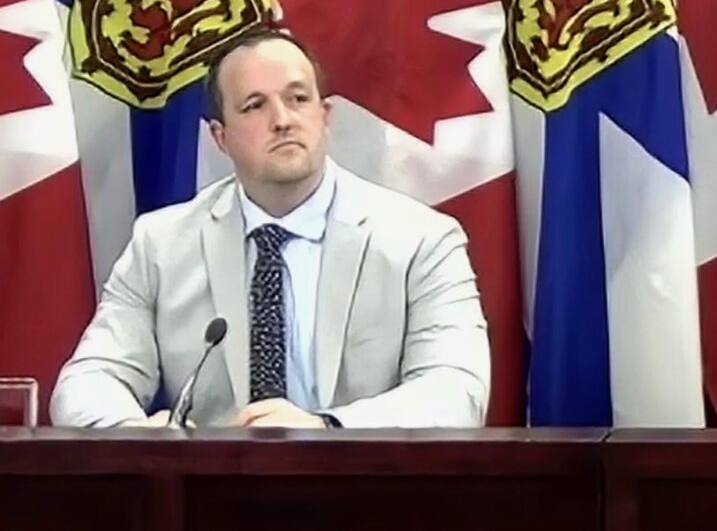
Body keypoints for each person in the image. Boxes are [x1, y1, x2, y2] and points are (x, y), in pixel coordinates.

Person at [51, 28, 490, 428]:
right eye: (255, 105)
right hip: (210, 502)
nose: (283, 119)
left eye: (298, 99)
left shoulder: (422, 241)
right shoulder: (162, 245)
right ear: (221, 138)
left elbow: (456, 391)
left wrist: (326, 428)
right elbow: (87, 381)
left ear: (325, 116)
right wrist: (131, 433)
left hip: (365, 498)